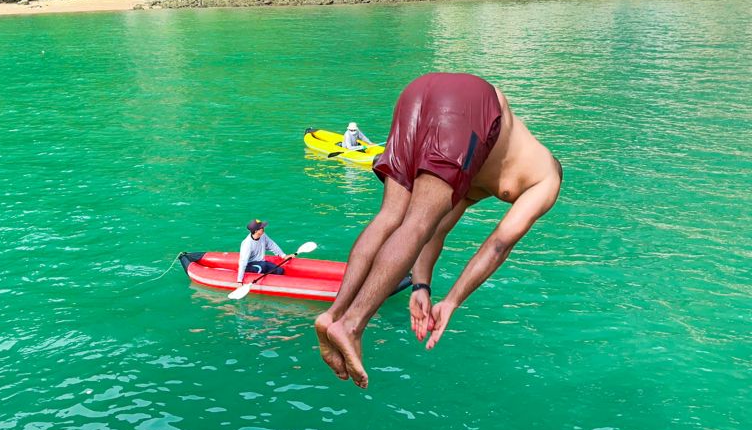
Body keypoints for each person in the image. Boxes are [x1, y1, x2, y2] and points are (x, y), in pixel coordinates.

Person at [314, 73, 563, 389]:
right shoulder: (548, 177)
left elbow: (437, 232)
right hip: (472, 105)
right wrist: (452, 302)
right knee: (416, 222)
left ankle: (333, 315)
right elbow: (498, 245)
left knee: (391, 216)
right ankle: (351, 326)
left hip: (419, 92)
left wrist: (422, 287)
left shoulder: (474, 179)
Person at [236, 219, 294, 285]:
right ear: (256, 231)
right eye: (262, 227)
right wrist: (239, 280)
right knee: (262, 266)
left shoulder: (263, 235)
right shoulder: (247, 244)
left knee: (280, 270)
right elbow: (243, 261)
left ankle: (274, 283)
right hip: (249, 265)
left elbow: (272, 245)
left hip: (261, 262)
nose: (263, 228)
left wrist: (284, 256)